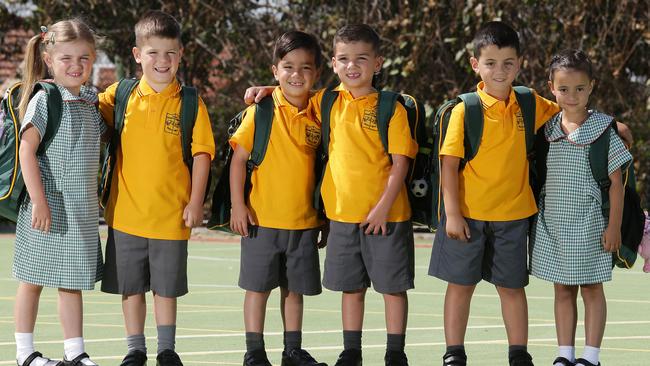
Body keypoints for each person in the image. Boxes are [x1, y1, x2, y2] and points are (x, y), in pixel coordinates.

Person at [246, 24, 418, 366]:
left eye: (361, 59)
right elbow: (292, 90)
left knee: (391, 289)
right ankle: (350, 352)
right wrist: (265, 88)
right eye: (343, 59)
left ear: (378, 63)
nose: (352, 66)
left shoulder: (391, 107)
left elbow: (401, 163)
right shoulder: (326, 101)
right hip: (341, 216)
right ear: (335, 65)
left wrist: (384, 206)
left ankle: (394, 353)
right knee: (352, 289)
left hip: (387, 216)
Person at [427, 21, 561, 366]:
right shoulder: (465, 109)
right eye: (490, 63)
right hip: (467, 215)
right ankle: (454, 352)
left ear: (519, 64)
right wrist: (452, 214)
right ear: (475, 64)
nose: (499, 71)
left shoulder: (530, 103)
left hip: (514, 215)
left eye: (507, 63)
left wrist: (610, 126)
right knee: (460, 286)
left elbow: (572, 114)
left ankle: (519, 353)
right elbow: (449, 165)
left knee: (512, 288)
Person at [98, 10, 215, 366]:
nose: (162, 61)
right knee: (131, 289)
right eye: (153, 53)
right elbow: (79, 106)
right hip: (126, 215)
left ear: (181, 55)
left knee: (166, 290)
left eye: (170, 53)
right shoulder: (120, 95)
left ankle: (166, 349)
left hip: (171, 218)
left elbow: (202, 156)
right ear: (137, 54)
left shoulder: (191, 103)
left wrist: (196, 203)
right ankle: (135, 349)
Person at [229, 30, 328, 366]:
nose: (296, 74)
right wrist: (238, 205)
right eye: (288, 67)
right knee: (257, 289)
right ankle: (254, 352)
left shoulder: (321, 110)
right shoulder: (262, 111)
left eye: (305, 68)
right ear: (275, 70)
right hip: (261, 219)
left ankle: (292, 350)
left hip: (304, 221)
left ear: (316, 73)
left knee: (294, 291)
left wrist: (324, 217)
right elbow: (239, 160)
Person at [529, 49, 631, 366]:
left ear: (592, 87)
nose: (571, 96)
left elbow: (616, 184)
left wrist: (613, 227)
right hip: (554, 225)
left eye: (580, 88)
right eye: (563, 89)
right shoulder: (546, 131)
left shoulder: (604, 130)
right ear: (551, 88)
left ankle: (591, 356)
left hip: (590, 225)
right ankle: (565, 354)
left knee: (591, 289)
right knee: (562, 290)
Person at [13, 19, 105, 366]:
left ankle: (75, 353)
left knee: (71, 282)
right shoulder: (45, 98)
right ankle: (25, 353)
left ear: (93, 60)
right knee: (32, 280)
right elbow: (26, 150)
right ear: (49, 59)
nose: (76, 66)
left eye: (84, 58)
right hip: (45, 207)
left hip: (78, 210)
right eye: (66, 58)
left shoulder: (90, 100)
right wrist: (39, 200)